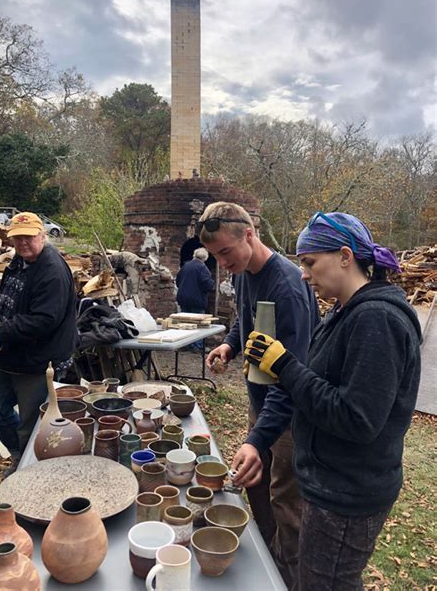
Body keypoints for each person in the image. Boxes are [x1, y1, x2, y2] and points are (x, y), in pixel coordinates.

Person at [244, 211, 421, 590]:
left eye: (309, 262)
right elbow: (315, 383)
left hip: (347, 495)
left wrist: (286, 366)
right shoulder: (343, 312)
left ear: (345, 256)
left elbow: (357, 419)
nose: (304, 274)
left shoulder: (376, 320)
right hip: (327, 485)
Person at [199, 202, 319, 589]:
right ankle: (267, 563)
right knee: (257, 488)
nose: (221, 263)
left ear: (249, 235)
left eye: (225, 253)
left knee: (287, 504)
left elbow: (291, 379)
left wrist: (257, 438)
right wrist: (231, 346)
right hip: (261, 406)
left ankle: (288, 578)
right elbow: (246, 321)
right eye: (215, 256)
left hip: (288, 417)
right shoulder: (244, 272)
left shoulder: (288, 288)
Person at [0, 212, 77, 476]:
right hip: (11, 355)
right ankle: (20, 455)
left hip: (38, 360)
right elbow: (7, 299)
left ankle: (31, 473)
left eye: (29, 236)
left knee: (31, 424)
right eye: (17, 237)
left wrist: (0, 328)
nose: (23, 242)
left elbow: (44, 320)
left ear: (42, 235)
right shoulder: (19, 262)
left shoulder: (51, 270)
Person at [176, 247, 214, 351]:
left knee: (185, 322)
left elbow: (178, 281)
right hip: (196, 300)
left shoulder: (185, 266)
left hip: (183, 297)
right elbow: (206, 284)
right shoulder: (203, 268)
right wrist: (212, 284)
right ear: (205, 258)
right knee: (198, 322)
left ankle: (186, 343)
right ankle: (197, 345)